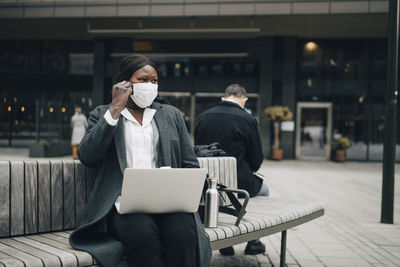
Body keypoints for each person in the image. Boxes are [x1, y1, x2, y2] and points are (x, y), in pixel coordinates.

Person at [69, 54, 211, 267]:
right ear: (124, 83)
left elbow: (190, 164)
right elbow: (87, 156)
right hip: (124, 207)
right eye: (142, 80)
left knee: (184, 234)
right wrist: (115, 108)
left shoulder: (170, 115)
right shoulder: (103, 114)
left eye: (153, 81)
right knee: (143, 238)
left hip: (169, 203)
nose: (149, 86)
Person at [194, 84, 269, 256]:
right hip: (240, 183)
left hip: (207, 184)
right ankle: (254, 241)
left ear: (224, 98)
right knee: (265, 191)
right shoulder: (247, 120)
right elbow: (257, 159)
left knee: (215, 199)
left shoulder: (203, 117)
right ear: (244, 99)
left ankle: (224, 244)